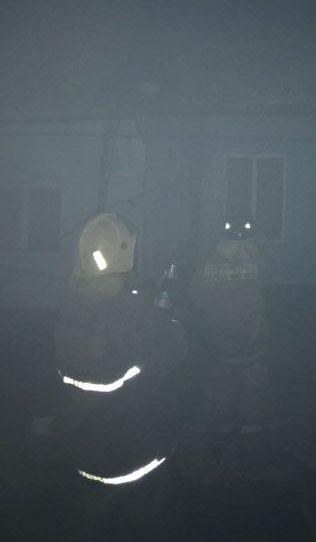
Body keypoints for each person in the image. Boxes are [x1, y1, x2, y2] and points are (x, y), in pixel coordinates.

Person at [54, 213, 185, 540]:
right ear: (123, 253)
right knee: (137, 517)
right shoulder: (129, 313)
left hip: (82, 440)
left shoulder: (71, 303)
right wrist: (168, 321)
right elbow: (170, 356)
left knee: (92, 513)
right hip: (129, 446)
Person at [191, 218, 269, 455]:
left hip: (220, 340)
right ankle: (251, 437)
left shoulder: (208, 261)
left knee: (223, 386)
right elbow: (269, 285)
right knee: (252, 387)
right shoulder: (259, 260)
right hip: (253, 338)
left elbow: (196, 297)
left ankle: (223, 433)